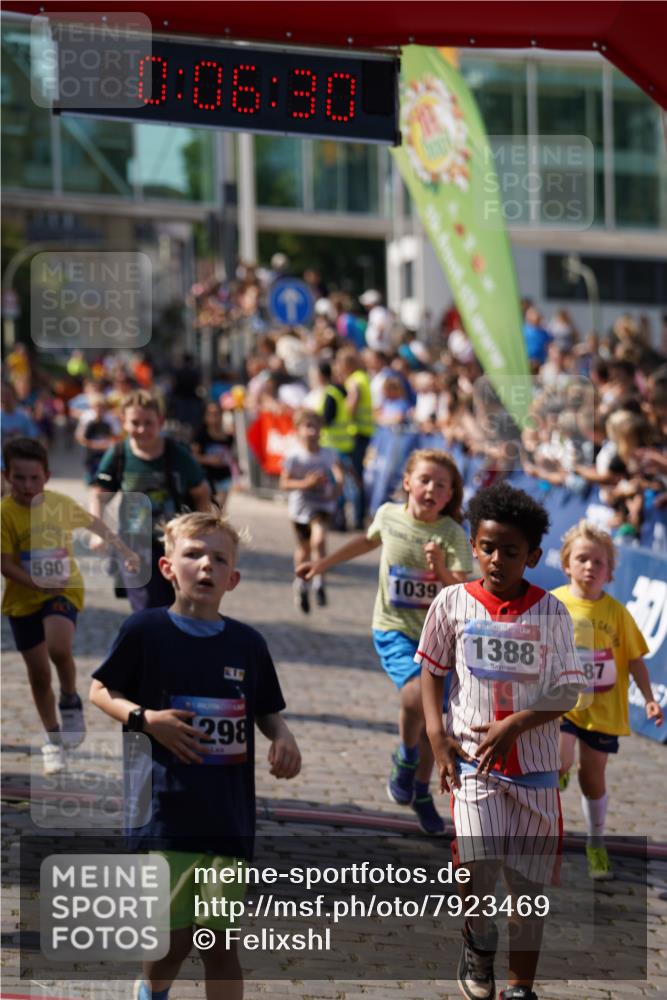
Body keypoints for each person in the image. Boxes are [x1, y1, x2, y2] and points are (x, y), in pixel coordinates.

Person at [90, 511, 301, 1000]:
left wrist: (283, 737)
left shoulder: (248, 644)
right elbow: (102, 690)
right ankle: (152, 992)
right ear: (167, 567)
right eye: (193, 554)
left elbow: (267, 709)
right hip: (165, 812)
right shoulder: (145, 631)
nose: (206, 566)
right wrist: (147, 720)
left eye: (219, 559)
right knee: (172, 939)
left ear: (234, 578)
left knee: (220, 941)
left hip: (227, 817)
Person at [419, 481, 587, 1000]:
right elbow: (431, 669)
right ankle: (477, 938)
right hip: (474, 768)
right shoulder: (452, 604)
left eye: (511, 552)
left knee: (526, 890)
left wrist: (517, 724)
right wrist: (436, 736)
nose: (496, 559)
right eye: (487, 547)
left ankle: (520, 986)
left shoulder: (551, 612)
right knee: (477, 865)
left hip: (535, 774)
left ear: (533, 556)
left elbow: (570, 691)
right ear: (473, 545)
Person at [298, 449, 471, 834]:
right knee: (415, 698)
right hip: (393, 629)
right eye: (424, 479)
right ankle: (407, 758)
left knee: (435, 721)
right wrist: (321, 565)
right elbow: (364, 542)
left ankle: (422, 792)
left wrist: (440, 569)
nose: (431, 488)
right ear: (407, 482)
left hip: (438, 637)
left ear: (450, 496)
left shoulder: (453, 534)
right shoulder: (389, 515)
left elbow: (463, 591)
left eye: (441, 485)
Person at [0, 437, 138, 774]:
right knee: (38, 674)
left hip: (63, 590)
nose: (27, 485)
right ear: (6, 476)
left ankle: (70, 697)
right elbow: (4, 564)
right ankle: (53, 739)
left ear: (46, 476)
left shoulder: (59, 504)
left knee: (60, 647)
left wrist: (124, 550)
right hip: (23, 599)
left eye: (34, 478)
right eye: (19, 478)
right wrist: (33, 582)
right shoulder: (4, 514)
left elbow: (96, 524)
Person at [553, 521, 663, 880]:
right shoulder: (553, 604)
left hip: (603, 711)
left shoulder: (617, 613)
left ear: (610, 572)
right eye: (582, 559)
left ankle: (596, 841)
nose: (590, 567)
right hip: (563, 704)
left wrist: (649, 699)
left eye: (598, 562)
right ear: (567, 564)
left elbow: (635, 660)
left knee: (593, 778)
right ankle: (557, 780)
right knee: (558, 758)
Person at [91, 390, 211, 611]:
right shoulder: (119, 453)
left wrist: (203, 533)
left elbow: (201, 491)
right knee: (147, 607)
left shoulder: (177, 455)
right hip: (134, 545)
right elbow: (99, 493)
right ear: (123, 423)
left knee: (178, 605)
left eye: (149, 423)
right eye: (135, 423)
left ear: (161, 422)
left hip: (175, 543)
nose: (142, 429)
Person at [279, 409, 344, 613]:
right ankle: (301, 583)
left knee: (319, 540)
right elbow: (284, 483)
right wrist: (305, 483)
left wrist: (336, 489)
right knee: (304, 550)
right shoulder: (294, 456)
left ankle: (320, 583)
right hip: (300, 508)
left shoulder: (328, 453)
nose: (312, 431)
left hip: (322, 505)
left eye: (315, 426)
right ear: (298, 430)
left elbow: (339, 474)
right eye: (307, 426)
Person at [191, 402, 236, 511]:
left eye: (217, 414)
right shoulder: (200, 436)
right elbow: (193, 456)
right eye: (210, 414)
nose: (214, 418)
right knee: (207, 510)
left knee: (219, 509)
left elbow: (231, 456)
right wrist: (209, 460)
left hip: (224, 477)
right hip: (207, 477)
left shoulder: (228, 436)